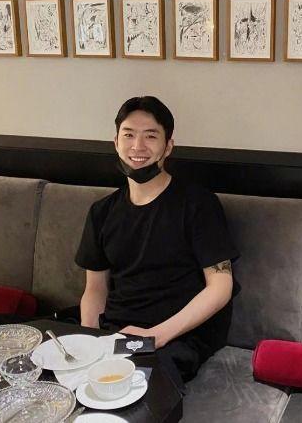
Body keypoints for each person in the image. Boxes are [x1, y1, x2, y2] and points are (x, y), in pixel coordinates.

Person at [75, 96, 239, 392]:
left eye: (150, 136)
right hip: (117, 331)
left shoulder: (198, 204)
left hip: (177, 336)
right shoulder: (101, 212)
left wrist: (156, 336)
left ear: (168, 146)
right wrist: (91, 341)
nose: (138, 146)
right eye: (129, 135)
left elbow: (220, 287)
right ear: (115, 142)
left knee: (132, 393)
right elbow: (95, 289)